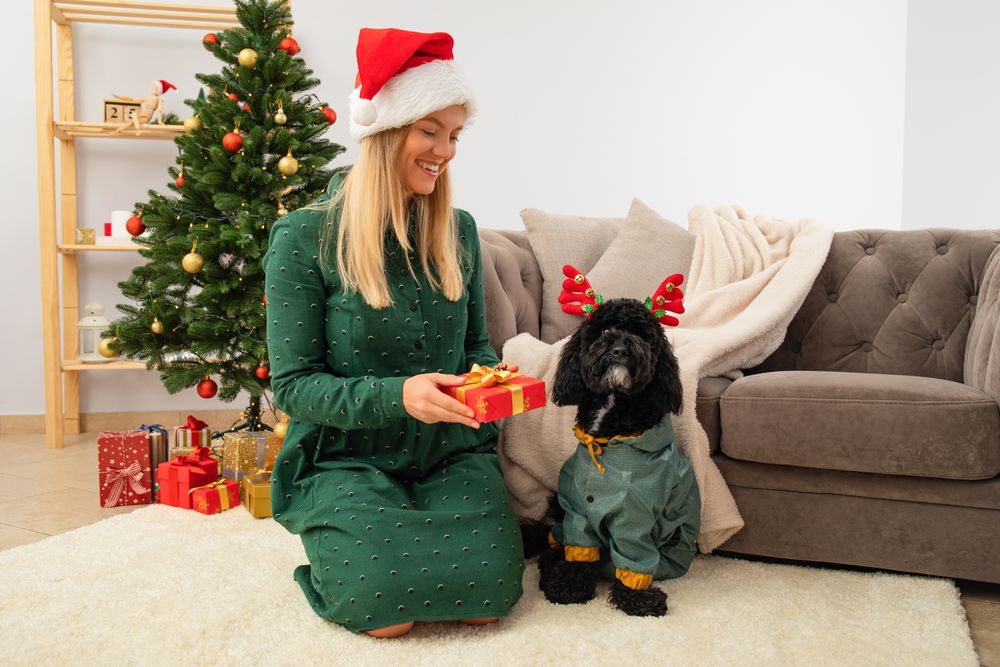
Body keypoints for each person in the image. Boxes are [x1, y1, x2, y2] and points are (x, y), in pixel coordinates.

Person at [264, 28, 525, 638]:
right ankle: (336, 541)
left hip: (447, 453)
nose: (446, 150)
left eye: (455, 134)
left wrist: (488, 382)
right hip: (345, 458)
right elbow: (295, 386)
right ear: (385, 131)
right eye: (430, 130)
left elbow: (475, 349)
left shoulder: (456, 229)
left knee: (490, 598)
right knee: (383, 610)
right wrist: (398, 395)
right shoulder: (303, 238)